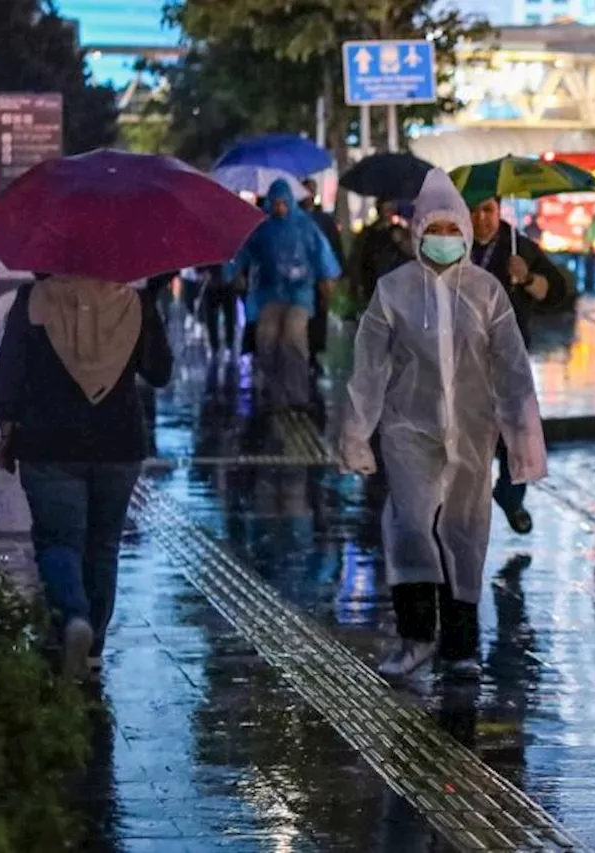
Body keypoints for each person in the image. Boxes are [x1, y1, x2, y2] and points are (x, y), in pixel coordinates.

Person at [339, 168, 547, 679]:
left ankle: (460, 647)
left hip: (473, 431)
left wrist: (523, 434)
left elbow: (513, 367)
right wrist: (356, 432)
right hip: (408, 428)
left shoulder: (486, 291)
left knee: (465, 533)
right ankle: (415, 637)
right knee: (411, 526)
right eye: (435, 230)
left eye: (454, 231)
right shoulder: (393, 291)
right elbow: (369, 366)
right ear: (417, 232)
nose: (445, 240)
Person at [0, 274, 173, 680]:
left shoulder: (34, 298)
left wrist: (7, 423)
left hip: (48, 441)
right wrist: (149, 311)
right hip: (118, 442)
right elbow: (160, 372)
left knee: (58, 541)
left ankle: (73, 617)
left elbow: (10, 368)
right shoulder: (134, 301)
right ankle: (93, 651)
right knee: (103, 546)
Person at [469, 196, 568, 535]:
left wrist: (526, 279)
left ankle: (511, 496)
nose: (481, 218)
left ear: (499, 211)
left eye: (488, 210)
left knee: (519, 433)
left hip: (509, 356)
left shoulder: (520, 247)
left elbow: (556, 293)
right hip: (463, 359)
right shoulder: (453, 246)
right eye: (474, 211)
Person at [229, 179, 340, 412]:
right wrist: (235, 272)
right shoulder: (262, 228)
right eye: (276, 203)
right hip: (268, 294)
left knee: (294, 341)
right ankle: (273, 391)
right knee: (267, 341)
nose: (279, 208)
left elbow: (321, 254)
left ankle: (297, 393)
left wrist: (326, 281)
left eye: (283, 203)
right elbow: (243, 251)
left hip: (299, 294)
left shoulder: (305, 226)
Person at [301, 179, 345, 373]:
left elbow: (334, 246)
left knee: (319, 315)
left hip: (319, 277)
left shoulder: (324, 220)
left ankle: (315, 352)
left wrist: (335, 273)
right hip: (302, 278)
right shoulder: (297, 219)